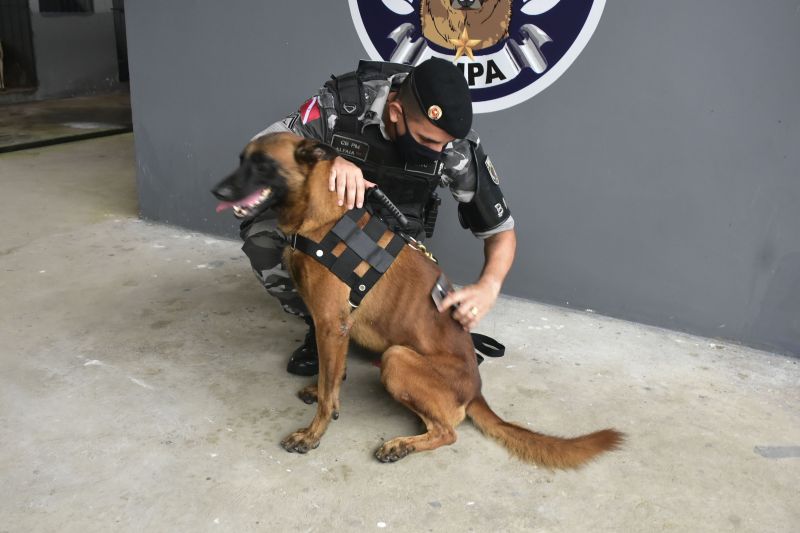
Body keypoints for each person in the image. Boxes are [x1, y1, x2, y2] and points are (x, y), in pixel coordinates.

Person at [239, 57, 516, 376]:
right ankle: (321, 327)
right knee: (264, 230)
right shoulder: (342, 108)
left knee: (420, 326)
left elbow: (501, 232)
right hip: (327, 230)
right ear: (396, 113)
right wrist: (328, 159)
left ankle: (379, 332)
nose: (438, 152)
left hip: (393, 246)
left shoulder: (455, 146)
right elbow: (259, 149)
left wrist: (489, 285)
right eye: (426, 141)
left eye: (444, 144)